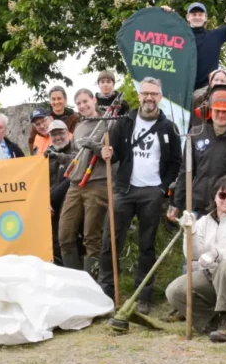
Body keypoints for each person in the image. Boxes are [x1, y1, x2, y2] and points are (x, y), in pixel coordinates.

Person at [99, 78, 182, 313]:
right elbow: (112, 154)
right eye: (145, 93)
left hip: (151, 192)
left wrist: (162, 188)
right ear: (139, 96)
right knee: (111, 240)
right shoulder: (125, 123)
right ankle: (106, 292)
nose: (149, 98)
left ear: (160, 98)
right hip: (124, 189)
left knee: (147, 245)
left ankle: (142, 295)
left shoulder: (169, 128)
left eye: (154, 94)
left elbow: (176, 161)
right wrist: (104, 151)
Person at [165, 175, 226, 342]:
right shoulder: (204, 222)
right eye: (223, 195)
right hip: (211, 276)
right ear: (214, 197)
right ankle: (211, 322)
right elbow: (192, 254)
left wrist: (218, 254)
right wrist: (191, 232)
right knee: (175, 290)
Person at [171, 84, 226, 217]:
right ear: (209, 110)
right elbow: (185, 172)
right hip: (197, 205)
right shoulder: (195, 134)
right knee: (194, 237)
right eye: (217, 110)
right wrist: (177, 202)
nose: (221, 115)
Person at [162, 0, 226, 90]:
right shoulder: (179, 37)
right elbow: (158, 34)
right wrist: (163, 14)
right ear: (188, 17)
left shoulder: (216, 36)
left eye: (200, 14)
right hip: (182, 90)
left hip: (206, 91)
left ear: (205, 17)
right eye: (194, 14)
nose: (197, 17)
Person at [59, 89, 110, 272]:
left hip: (97, 183)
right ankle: (74, 280)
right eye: (78, 103)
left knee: (91, 236)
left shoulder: (108, 122)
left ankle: (93, 282)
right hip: (75, 184)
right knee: (65, 235)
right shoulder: (79, 127)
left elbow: (113, 155)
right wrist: (61, 158)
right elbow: (76, 156)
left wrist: (96, 147)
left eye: (85, 101)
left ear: (94, 100)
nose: (83, 106)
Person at [46, 119, 76, 265]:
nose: (58, 137)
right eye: (54, 134)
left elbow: (72, 179)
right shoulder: (46, 156)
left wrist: (49, 199)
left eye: (61, 133)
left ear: (68, 133)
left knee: (69, 241)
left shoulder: (75, 151)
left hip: (70, 203)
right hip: (50, 208)